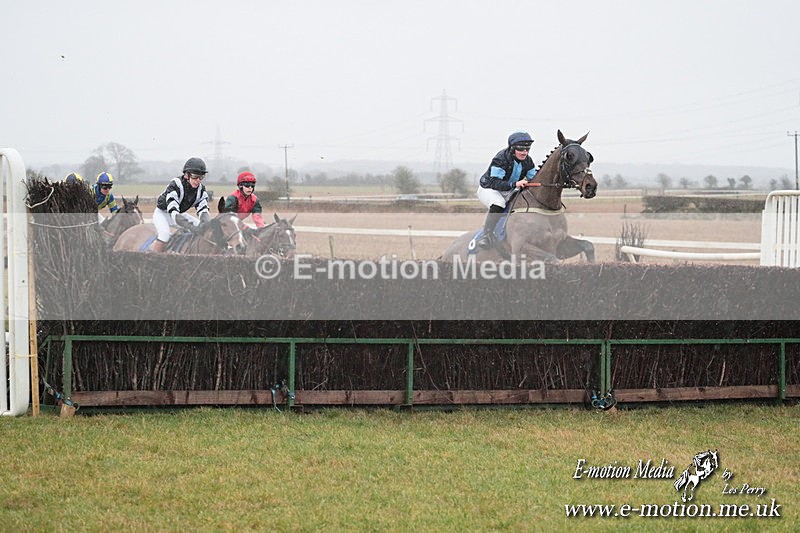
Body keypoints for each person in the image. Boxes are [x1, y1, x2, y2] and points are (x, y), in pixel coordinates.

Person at [475, 131, 538, 249]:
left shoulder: (528, 161)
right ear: (512, 148)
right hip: (489, 189)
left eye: (527, 149)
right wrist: (515, 184)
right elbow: (495, 182)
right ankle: (486, 236)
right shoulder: (501, 159)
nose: (524, 152)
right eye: (521, 149)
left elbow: (534, 178)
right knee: (499, 203)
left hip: (509, 189)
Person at [149, 157, 211, 252]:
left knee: (204, 229)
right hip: (162, 213)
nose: (198, 180)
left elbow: (203, 210)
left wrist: (205, 223)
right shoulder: (175, 185)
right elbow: (173, 212)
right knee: (164, 234)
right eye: (195, 176)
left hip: (180, 214)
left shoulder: (201, 189)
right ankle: (153, 257)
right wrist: (191, 227)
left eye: (201, 177)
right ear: (186, 175)